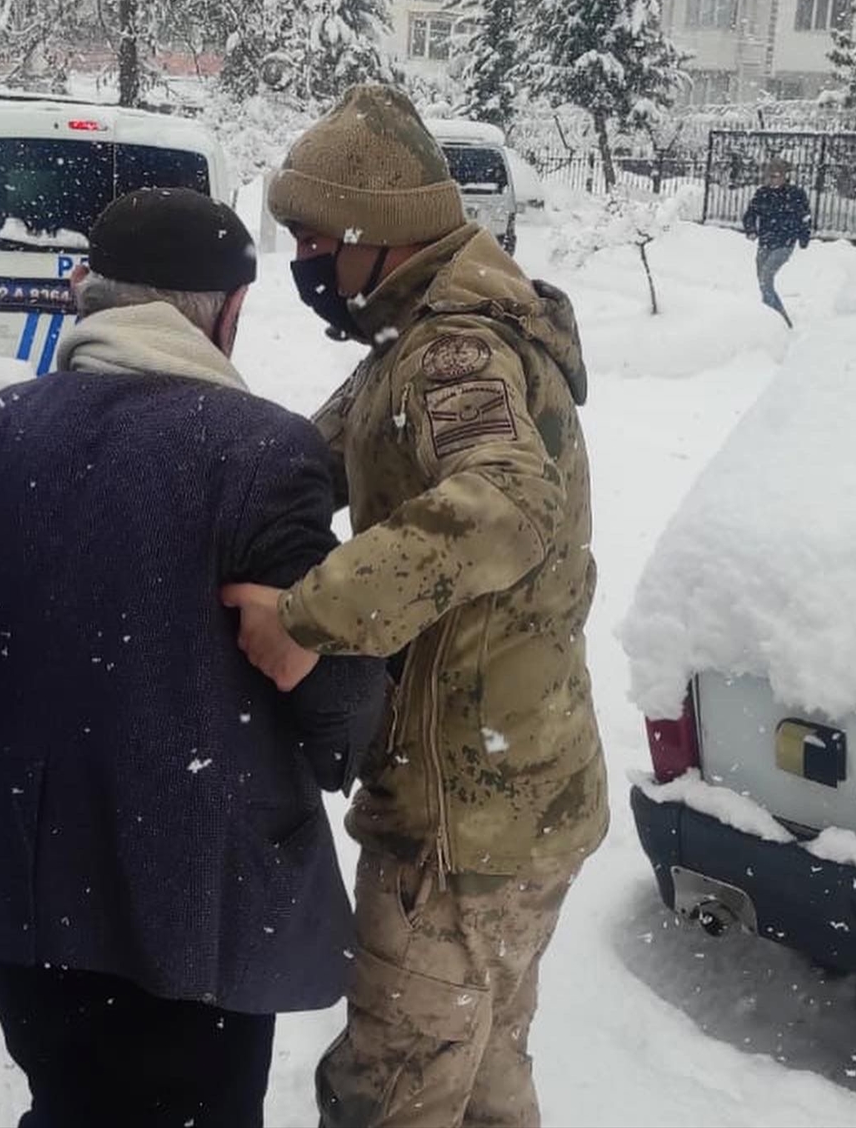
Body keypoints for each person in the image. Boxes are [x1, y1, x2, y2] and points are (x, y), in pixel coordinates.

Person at [0, 187, 387, 1128]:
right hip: (200, 915)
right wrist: (332, 665)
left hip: (30, 901)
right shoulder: (269, 453)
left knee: (68, 1103)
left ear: (88, 297)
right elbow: (340, 722)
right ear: (227, 312)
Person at [222, 85, 609, 1128]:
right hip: (521, 794)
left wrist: (305, 618)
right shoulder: (419, 342)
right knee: (477, 1073)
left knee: (389, 1092)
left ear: (373, 234)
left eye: (311, 237)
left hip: (464, 818)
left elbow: (507, 503)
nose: (300, 260)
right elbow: (308, 457)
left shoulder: (453, 350)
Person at [742, 157, 811, 327]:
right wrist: (750, 229)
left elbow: (805, 218)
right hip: (765, 242)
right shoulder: (762, 193)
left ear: (784, 176)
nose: (771, 180)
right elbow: (750, 214)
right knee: (763, 282)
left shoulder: (795, 194)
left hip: (784, 243)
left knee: (766, 278)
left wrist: (803, 238)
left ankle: (780, 321)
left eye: (775, 176)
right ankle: (772, 316)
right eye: (768, 176)